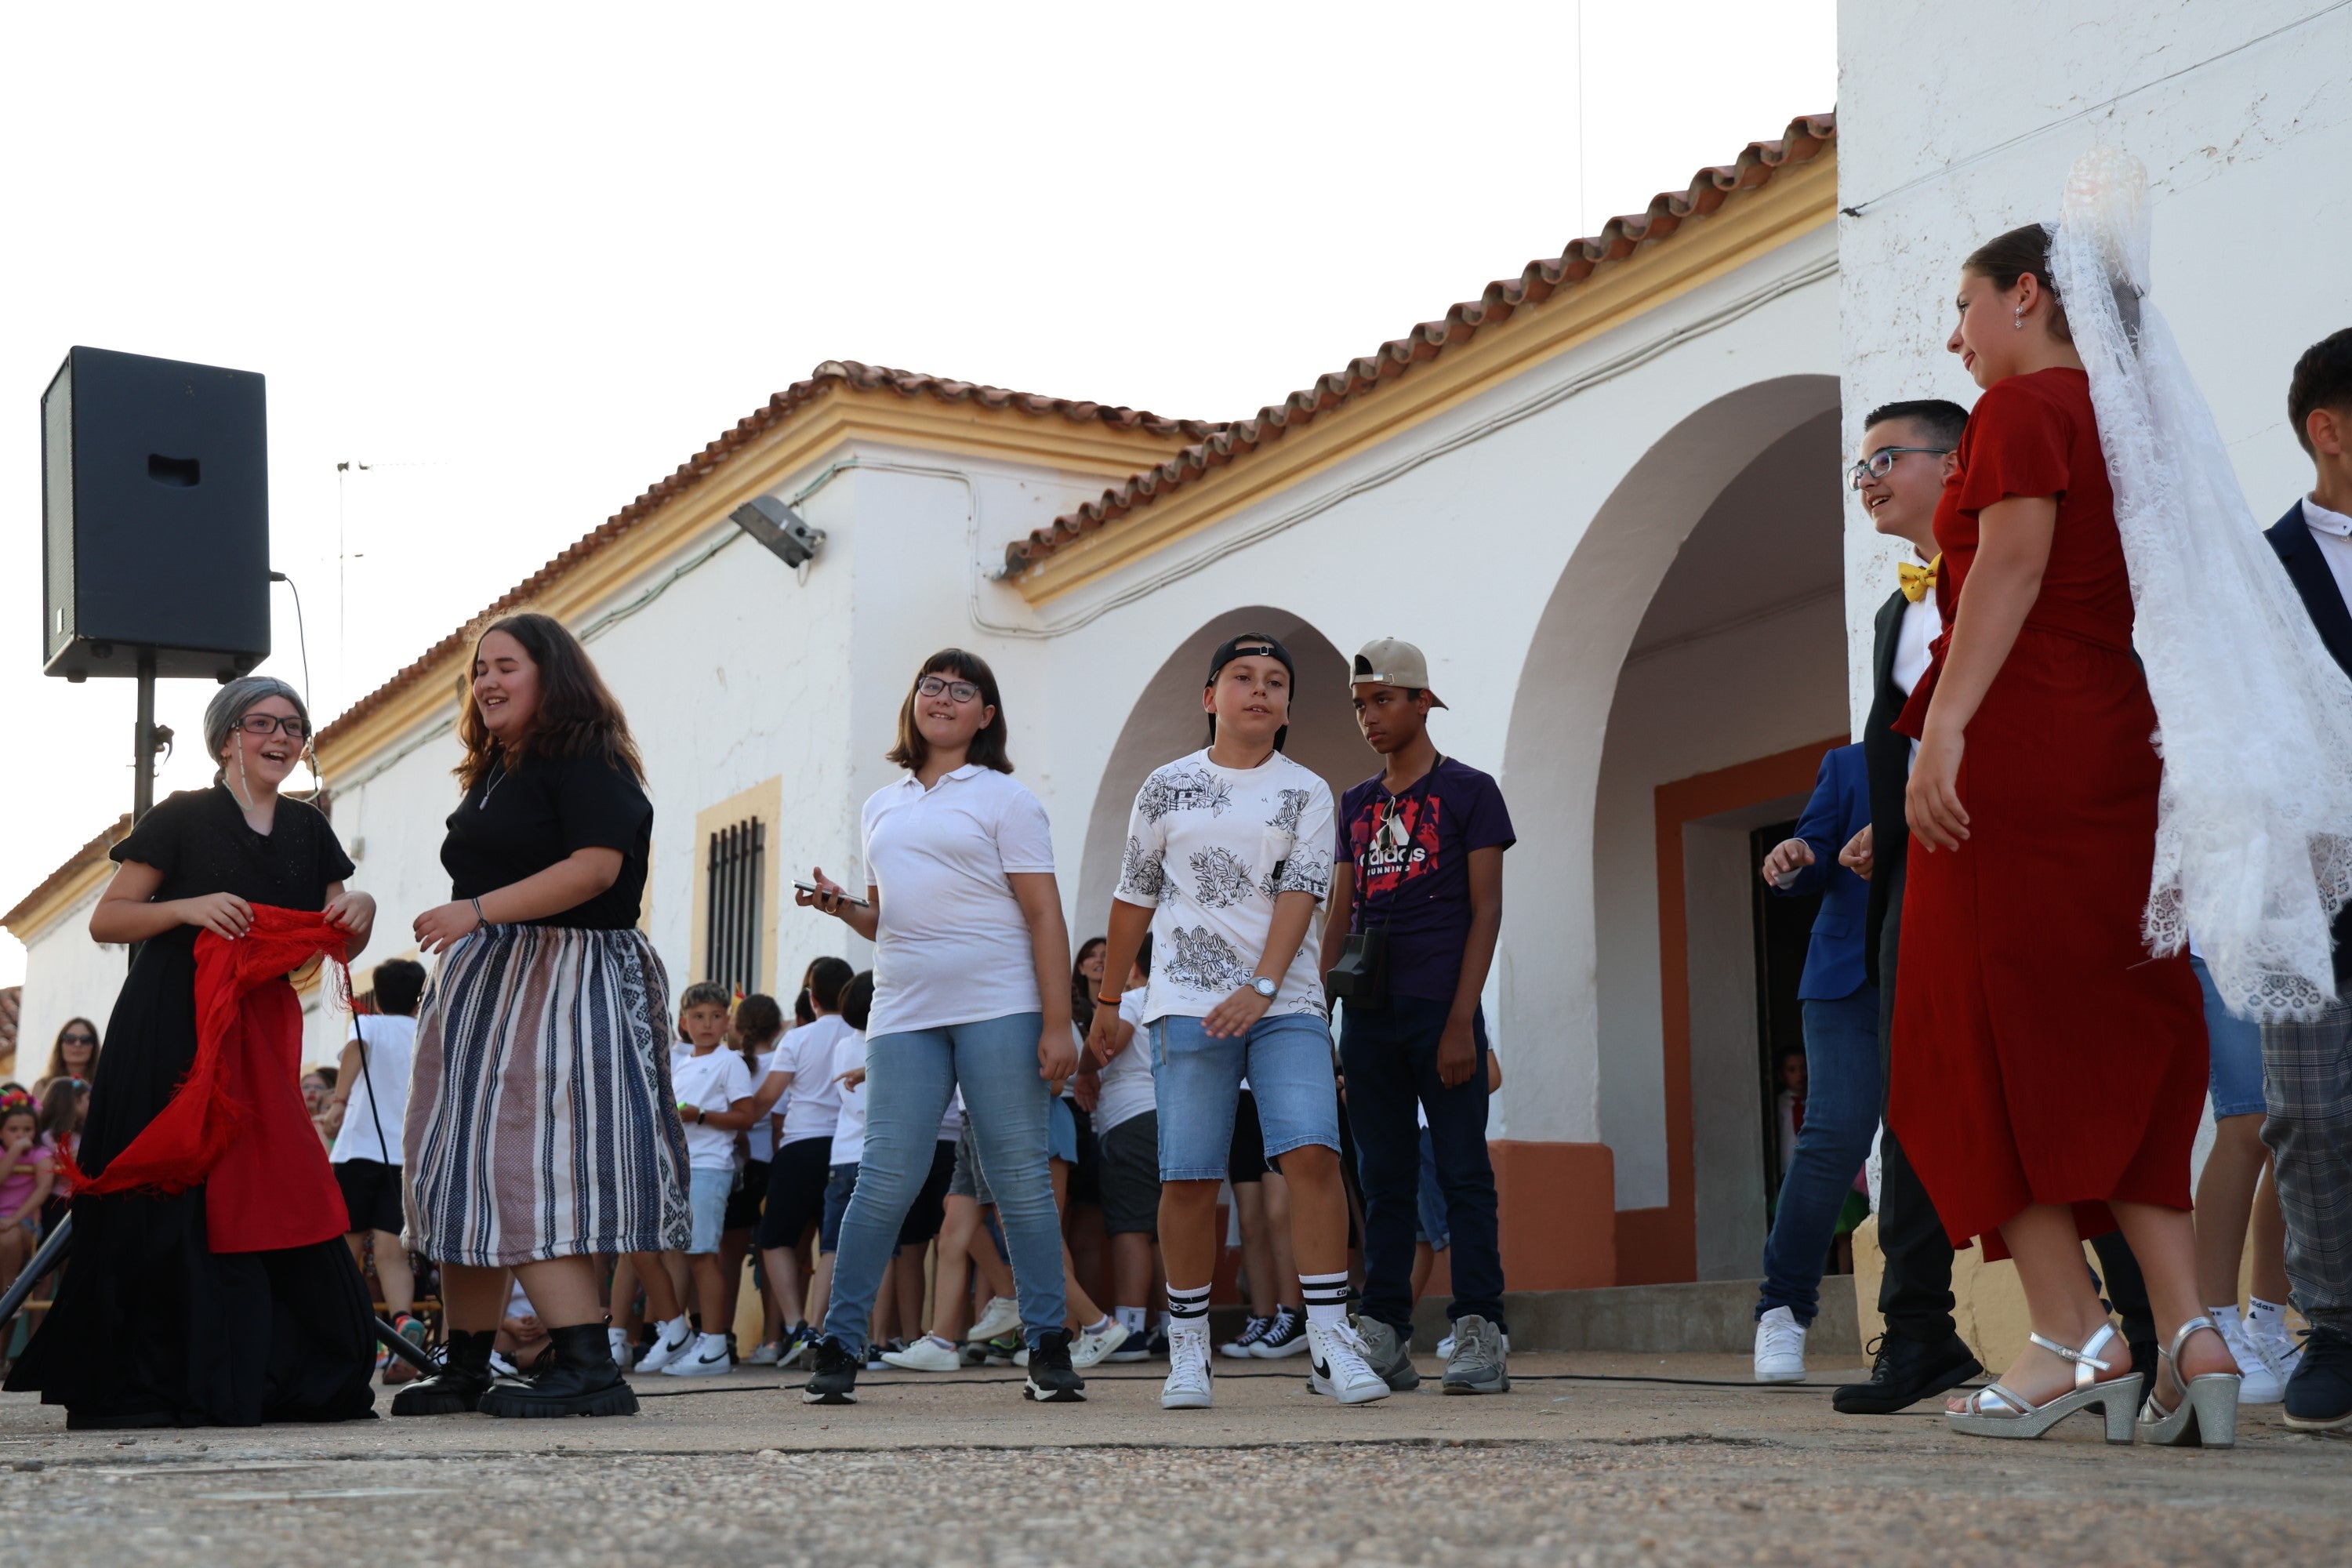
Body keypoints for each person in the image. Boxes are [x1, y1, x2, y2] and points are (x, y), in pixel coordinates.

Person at [1896, 221, 2230, 1443]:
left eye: (1966, 304)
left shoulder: (2026, 406)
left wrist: (1945, 727)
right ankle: (2192, 1337)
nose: (1956, 336)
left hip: (2021, 733)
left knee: (1967, 1035)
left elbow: (2014, 563)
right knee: (2114, 1028)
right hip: (2116, 732)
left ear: (2027, 295)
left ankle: (2072, 1334)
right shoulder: (2133, 427)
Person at [5, 676, 380, 1428]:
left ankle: (271, 1373)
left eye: (293, 726)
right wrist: (188, 908)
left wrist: (361, 908)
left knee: (268, 1179)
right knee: (177, 1185)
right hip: (169, 1018)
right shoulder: (182, 815)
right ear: (226, 737)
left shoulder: (309, 829)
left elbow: (339, 933)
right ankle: (164, 1375)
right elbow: (109, 919)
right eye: (263, 723)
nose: (282, 737)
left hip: (257, 1022)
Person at [1090, 631, 1390, 1410]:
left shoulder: (1307, 790)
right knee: (1189, 1175)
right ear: (1210, 696)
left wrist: (1262, 984)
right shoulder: (1166, 785)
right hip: (1187, 1006)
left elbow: (1303, 894)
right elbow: (1133, 895)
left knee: (1313, 1154)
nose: (1260, 690)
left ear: (1287, 707)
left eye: (1276, 681)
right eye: (1243, 676)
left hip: (1286, 1001)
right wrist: (1106, 1001)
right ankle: (1189, 1350)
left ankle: (1330, 1339)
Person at [397, 612, 687, 1420]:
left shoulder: (586, 757)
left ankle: (588, 1363)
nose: (486, 681)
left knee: (527, 1169)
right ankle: (466, 1363)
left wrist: (475, 911)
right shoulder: (497, 770)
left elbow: (596, 869)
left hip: (561, 981)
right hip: (492, 988)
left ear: (551, 675)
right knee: (464, 1170)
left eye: (506, 666)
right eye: (479, 669)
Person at [798, 648, 1081, 1405]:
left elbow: (1044, 914)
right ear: (914, 701)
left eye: (963, 691)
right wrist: (841, 908)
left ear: (985, 715)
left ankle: (1048, 1344)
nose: (944, 699)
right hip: (903, 1011)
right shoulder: (881, 805)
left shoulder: (1005, 798)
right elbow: (885, 917)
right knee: (884, 1178)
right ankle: (841, 1344)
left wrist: (1059, 1022)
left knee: (1019, 1179)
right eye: (932, 686)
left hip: (1000, 1004)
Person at [1828, 398, 1988, 1416]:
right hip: (1915, 880)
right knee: (1913, 1103)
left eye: (1888, 457)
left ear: (1955, 463)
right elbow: (1898, 747)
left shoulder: (2004, 572)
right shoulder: (1899, 609)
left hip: (2004, 861)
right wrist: (1882, 831)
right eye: (1861, 467)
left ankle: (2142, 1331)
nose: (1870, 479)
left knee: (2040, 1083)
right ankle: (1921, 1330)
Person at [1318, 637, 1515, 1396]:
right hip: (1369, 1015)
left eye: (1383, 700)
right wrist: (1318, 1015)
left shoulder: (1470, 791)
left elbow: (1487, 910)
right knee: (1383, 1178)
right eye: (1360, 705)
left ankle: (1481, 1327)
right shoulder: (1355, 803)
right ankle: (1384, 1331)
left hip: (1441, 1008)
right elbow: (1341, 914)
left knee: (1464, 1172)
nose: (1369, 717)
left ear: (1422, 702)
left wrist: (1463, 1021)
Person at [2256, 325, 2352, 1432]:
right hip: (2303, 886)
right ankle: (2336, 1325)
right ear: (2330, 431)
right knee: (2310, 1115)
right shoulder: (2260, 569)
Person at [1746, 744, 1875, 1384]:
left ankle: (2085, 1319)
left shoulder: (1977, 748)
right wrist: (1794, 855)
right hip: (1846, 976)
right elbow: (1815, 853)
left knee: (1967, 1135)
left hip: (1945, 966)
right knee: (1832, 1135)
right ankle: (1783, 1310)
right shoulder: (1848, 764)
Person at [747, 957, 858, 1370]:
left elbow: (766, 1100)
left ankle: (796, 1325)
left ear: (812, 999)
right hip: (845, 1148)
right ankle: (820, 1326)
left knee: (775, 1239)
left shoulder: (797, 1038)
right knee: (832, 1242)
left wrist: (731, 1115)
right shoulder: (861, 1035)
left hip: (800, 1147)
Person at [324, 956, 430, 1381]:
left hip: (358, 1150)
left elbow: (356, 1050)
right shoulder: (426, 1031)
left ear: (378, 998)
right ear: (419, 998)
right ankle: (403, 1322)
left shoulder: (368, 1024)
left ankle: (340, 1330)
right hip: (405, 1156)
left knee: (345, 1247)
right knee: (391, 1252)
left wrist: (338, 1101)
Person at [662, 980, 758, 1377]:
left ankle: (715, 1344)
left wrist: (699, 1115)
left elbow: (746, 1116)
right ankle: (700, 1340)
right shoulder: (683, 1063)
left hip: (710, 1166)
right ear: (684, 1023)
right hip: (683, 1168)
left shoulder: (729, 1062)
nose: (706, 1024)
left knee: (703, 1256)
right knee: (689, 1255)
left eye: (716, 1016)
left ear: (727, 1022)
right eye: (698, 1016)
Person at [1083, 938, 1169, 1359]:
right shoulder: (1181, 999)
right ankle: (1173, 1329)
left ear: (1134, 967)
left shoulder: (1135, 999)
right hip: (1174, 1116)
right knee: (1164, 1228)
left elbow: (1110, 1043)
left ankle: (1131, 1330)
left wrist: (1085, 1068)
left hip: (1131, 1119)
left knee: (1131, 1227)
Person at [726, 993, 786, 1363]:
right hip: (773, 1164)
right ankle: (773, 1340)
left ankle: (720, 1337)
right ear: (778, 1028)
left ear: (736, 1027)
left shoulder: (730, 1062)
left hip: (738, 1166)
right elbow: (780, 1123)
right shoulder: (783, 1061)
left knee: (726, 1260)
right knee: (775, 1256)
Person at [0, 1091, 53, 1296]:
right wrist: (14, 1152)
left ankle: (8, 1297)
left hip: (25, 1222)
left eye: (27, 1129)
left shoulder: (40, 1153)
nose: (21, 1135)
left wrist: (13, 1219)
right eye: (13, 1129)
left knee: (10, 1236)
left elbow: (45, 1187)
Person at [34, 1018, 100, 1096]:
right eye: (70, 1039)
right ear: (60, 1045)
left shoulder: (104, 1085)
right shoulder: (43, 1086)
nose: (78, 1044)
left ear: (94, 1046)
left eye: (85, 1039)